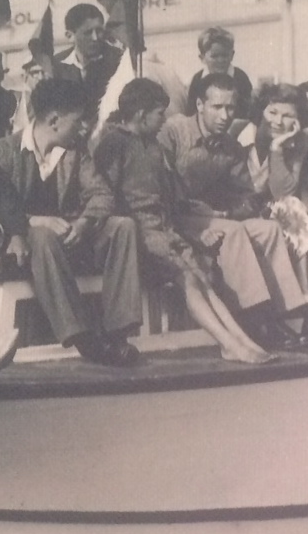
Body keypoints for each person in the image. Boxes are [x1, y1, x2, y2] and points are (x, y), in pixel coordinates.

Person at [95, 79, 274, 364]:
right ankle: (228, 343)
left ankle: (241, 341)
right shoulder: (114, 144)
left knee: (201, 277)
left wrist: (193, 232)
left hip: (165, 229)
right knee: (189, 278)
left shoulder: (153, 146)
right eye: (159, 114)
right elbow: (105, 195)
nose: (163, 120)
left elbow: (171, 197)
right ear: (141, 115)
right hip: (141, 235)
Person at [160, 73, 308, 349]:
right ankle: (258, 321)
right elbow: (156, 183)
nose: (224, 116)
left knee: (269, 230)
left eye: (230, 108)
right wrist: (203, 220)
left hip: (212, 216)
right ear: (200, 105)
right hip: (176, 215)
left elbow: (247, 195)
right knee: (236, 232)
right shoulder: (174, 131)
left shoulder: (229, 147)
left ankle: (287, 316)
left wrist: (226, 212)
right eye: (217, 107)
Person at [0, 76, 143, 366]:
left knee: (123, 226)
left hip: (70, 240)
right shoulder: (3, 152)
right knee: (42, 237)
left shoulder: (75, 153)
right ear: (54, 120)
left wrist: (84, 223)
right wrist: (34, 221)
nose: (84, 128)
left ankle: (118, 332)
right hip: (25, 246)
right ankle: (83, 337)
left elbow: (101, 194)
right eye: (78, 120)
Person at [248, 83, 308, 278]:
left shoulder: (300, 140)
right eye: (272, 112)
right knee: (290, 208)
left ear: (298, 120)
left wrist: (276, 149)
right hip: (241, 207)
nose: (278, 121)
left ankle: (304, 289)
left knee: (290, 205)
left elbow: (283, 191)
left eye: (287, 116)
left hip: (272, 209)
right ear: (261, 112)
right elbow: (251, 187)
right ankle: (304, 286)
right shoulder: (245, 134)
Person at [55, 2, 125, 108]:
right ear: (70, 36)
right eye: (87, 33)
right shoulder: (57, 64)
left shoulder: (119, 60)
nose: (95, 38)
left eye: (99, 31)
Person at [185, 27, 253, 122]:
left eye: (224, 55)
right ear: (202, 58)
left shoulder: (240, 78)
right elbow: (191, 112)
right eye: (214, 56)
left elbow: (247, 112)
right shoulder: (198, 80)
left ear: (232, 55)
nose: (220, 60)